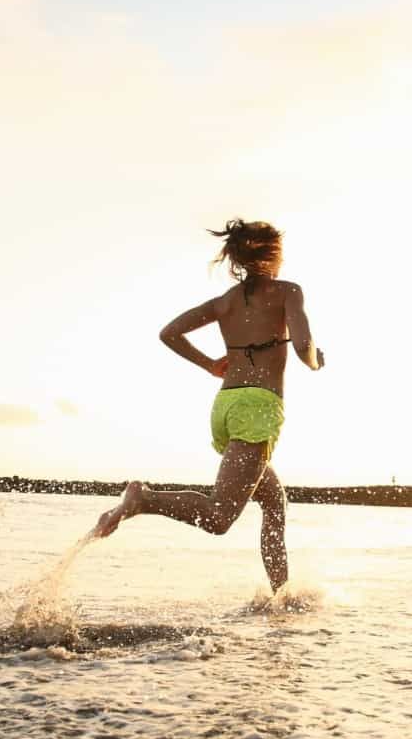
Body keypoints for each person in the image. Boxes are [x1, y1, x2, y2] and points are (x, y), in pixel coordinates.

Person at [94, 219, 323, 594]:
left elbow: (169, 333)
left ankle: (280, 598)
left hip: (226, 406)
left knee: (273, 502)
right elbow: (303, 348)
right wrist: (317, 359)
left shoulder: (225, 303)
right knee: (218, 517)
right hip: (257, 410)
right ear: (273, 254)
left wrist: (209, 365)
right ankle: (144, 500)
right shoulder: (288, 292)